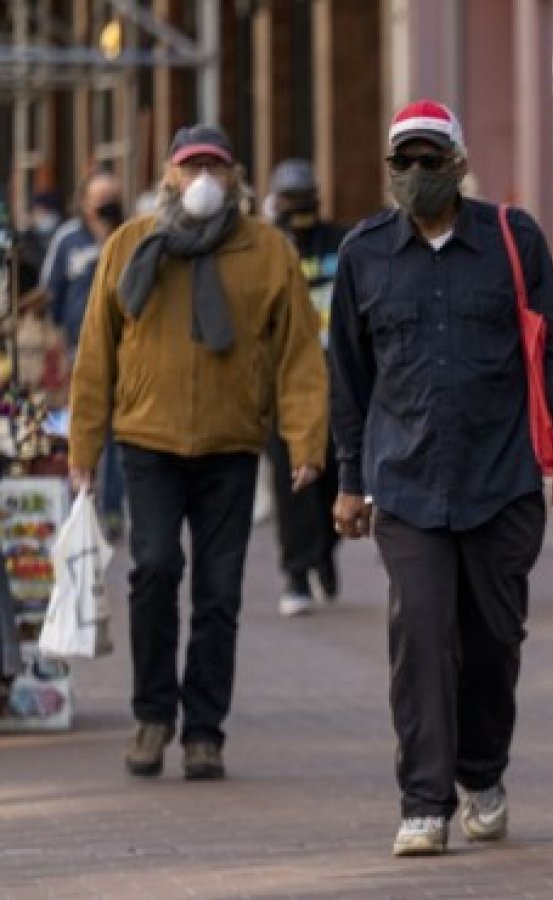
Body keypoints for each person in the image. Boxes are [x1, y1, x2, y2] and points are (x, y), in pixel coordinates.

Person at [327, 99, 553, 857]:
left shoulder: (513, 238)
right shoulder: (363, 254)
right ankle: (424, 802)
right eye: (403, 162)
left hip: (501, 482)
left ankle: (482, 773)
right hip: (406, 485)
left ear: (459, 164)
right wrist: (349, 479)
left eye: (430, 160)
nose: (416, 174)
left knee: (491, 642)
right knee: (421, 637)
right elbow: (347, 378)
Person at [68, 124, 329, 781]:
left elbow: (299, 352)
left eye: (214, 166)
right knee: (154, 570)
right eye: (192, 166)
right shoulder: (131, 244)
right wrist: (84, 445)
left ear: (234, 177)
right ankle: (153, 716)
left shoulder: (265, 250)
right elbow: (96, 351)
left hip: (230, 445)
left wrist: (306, 439)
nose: (203, 178)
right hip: (148, 441)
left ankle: (205, 731)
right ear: (170, 176)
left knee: (218, 593)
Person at [262, 158, 347, 617]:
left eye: (304, 200)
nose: (298, 210)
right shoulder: (267, 249)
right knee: (291, 480)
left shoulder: (340, 244)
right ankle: (296, 573)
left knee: (334, 474)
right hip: (285, 383)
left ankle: (325, 551)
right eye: (289, 201)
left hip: (335, 379)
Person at [36, 169, 128, 536]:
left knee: (118, 434)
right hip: (78, 352)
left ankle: (112, 509)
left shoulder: (128, 236)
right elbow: (49, 293)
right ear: (85, 202)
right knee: (83, 427)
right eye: (100, 200)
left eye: (112, 199)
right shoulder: (68, 238)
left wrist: (109, 236)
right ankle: (81, 502)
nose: (106, 206)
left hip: (124, 352)